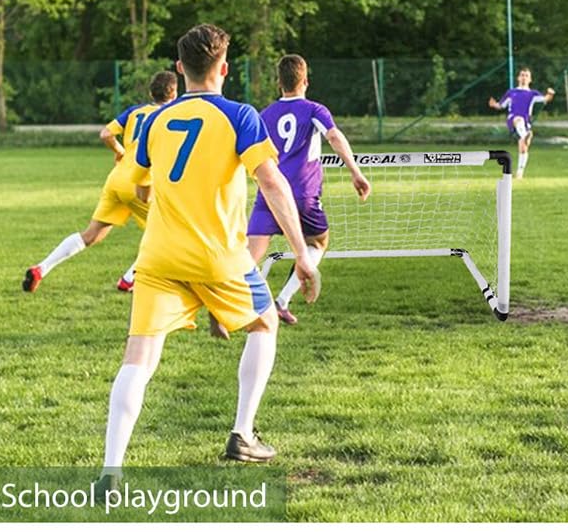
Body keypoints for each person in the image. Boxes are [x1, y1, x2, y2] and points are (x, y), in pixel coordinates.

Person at [100, 24, 320, 471]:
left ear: (180, 70)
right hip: (219, 256)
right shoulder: (239, 115)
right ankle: (242, 433)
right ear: (224, 68)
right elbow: (272, 182)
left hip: (158, 257)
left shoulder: (157, 119)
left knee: (138, 358)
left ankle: (111, 468)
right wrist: (301, 253)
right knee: (265, 324)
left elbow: (138, 185)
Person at [22, 70, 178, 295]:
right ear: (173, 92)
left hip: (117, 178)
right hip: (141, 181)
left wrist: (120, 151)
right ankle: (128, 279)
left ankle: (41, 268)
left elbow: (106, 134)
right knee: (168, 233)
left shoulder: (135, 111)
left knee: (91, 235)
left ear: (151, 92)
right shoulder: (170, 116)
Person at [245, 56, 370, 326]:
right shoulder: (314, 109)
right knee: (317, 243)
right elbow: (334, 137)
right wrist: (355, 172)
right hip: (302, 194)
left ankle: (228, 306)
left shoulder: (264, 114)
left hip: (268, 191)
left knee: (249, 257)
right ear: (305, 81)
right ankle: (280, 301)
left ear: (279, 83)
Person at [489, 68, 555, 179]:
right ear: (518, 78)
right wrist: (493, 104)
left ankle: (520, 172)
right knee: (518, 120)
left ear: (530, 79)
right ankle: (526, 136)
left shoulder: (532, 94)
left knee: (523, 147)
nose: (524, 77)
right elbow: (501, 105)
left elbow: (546, 98)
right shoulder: (511, 92)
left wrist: (551, 93)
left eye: (526, 75)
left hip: (525, 123)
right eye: (522, 75)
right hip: (513, 119)